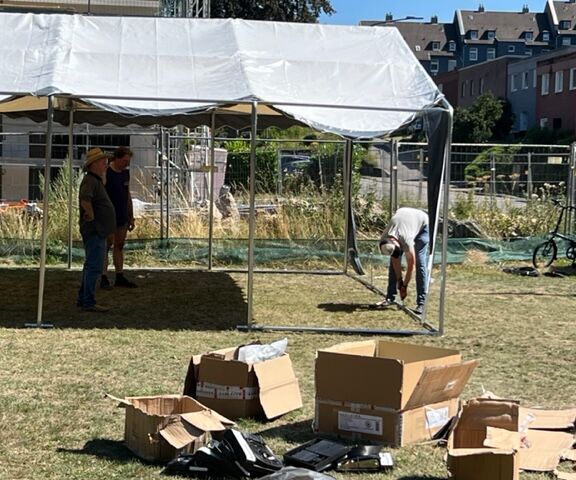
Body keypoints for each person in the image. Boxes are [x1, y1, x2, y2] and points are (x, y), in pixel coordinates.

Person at [77, 148, 116, 312]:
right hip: (95, 230)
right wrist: (90, 213)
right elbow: (85, 199)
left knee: (91, 265)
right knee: (94, 266)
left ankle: (83, 298)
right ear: (93, 165)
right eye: (103, 162)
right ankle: (88, 301)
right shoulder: (90, 181)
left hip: (98, 230)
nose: (106, 165)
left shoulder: (96, 180)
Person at [378, 207, 429, 314]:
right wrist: (400, 281)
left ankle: (421, 303)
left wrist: (404, 286)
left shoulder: (406, 240)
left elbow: (411, 266)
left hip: (422, 223)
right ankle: (390, 297)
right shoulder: (384, 239)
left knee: (419, 263)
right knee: (393, 264)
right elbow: (395, 260)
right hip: (404, 218)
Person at [101, 146, 137, 289]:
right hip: (108, 215)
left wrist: (131, 215)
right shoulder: (106, 172)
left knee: (119, 245)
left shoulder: (125, 174)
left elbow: (127, 195)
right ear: (117, 158)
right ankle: (103, 276)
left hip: (122, 215)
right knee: (106, 245)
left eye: (128, 162)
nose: (126, 164)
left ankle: (119, 275)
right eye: (124, 161)